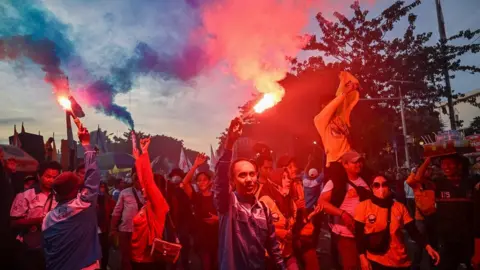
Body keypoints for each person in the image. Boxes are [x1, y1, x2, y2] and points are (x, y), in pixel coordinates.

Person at [214, 118, 285, 270]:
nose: (249, 179)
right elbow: (220, 177)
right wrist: (230, 144)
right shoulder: (228, 205)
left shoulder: (264, 210)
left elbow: (273, 247)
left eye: (252, 174)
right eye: (242, 175)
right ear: (232, 181)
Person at [42, 126, 102, 270]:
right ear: (75, 190)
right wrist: (86, 143)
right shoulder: (83, 204)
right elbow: (93, 175)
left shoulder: (47, 218)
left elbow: (46, 250)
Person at [354, 175, 440, 270]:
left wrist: (427, 247)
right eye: (376, 185)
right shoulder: (364, 206)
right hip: (375, 260)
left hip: (399, 261)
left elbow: (413, 231)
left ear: (389, 186)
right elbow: (358, 235)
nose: (381, 188)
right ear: (371, 187)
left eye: (384, 184)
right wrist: (362, 258)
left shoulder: (399, 207)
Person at [318, 151, 370, 270]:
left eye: (360, 161)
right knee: (351, 266)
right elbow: (321, 203)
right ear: (345, 165)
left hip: (365, 234)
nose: (359, 164)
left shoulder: (366, 180)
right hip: (346, 235)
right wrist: (342, 214)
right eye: (354, 162)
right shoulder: (336, 182)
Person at [10, 160, 62, 270]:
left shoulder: (61, 195)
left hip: (55, 248)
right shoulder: (26, 195)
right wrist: (38, 220)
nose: (51, 180)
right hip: (31, 248)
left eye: (55, 177)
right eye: (48, 176)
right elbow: (14, 223)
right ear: (39, 176)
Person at [130, 137, 169, 270]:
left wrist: (145, 153)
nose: (142, 188)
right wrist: (138, 159)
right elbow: (144, 181)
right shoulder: (148, 205)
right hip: (138, 258)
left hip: (149, 262)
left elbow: (147, 181)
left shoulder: (158, 206)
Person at [182, 153, 219, 270]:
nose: (201, 182)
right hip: (202, 238)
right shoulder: (196, 197)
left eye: (204, 180)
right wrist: (195, 165)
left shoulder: (216, 197)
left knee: (217, 265)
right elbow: (185, 183)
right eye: (199, 180)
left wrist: (218, 219)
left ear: (210, 182)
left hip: (217, 236)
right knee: (206, 264)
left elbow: (227, 215)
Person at [258, 168, 298, 269]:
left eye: (288, 177)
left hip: (286, 252)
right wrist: (279, 233)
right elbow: (257, 228)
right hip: (269, 255)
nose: (288, 180)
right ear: (274, 182)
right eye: (283, 178)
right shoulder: (265, 201)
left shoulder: (290, 202)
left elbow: (293, 224)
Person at [111, 172, 145, 270]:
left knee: (139, 258)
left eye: (141, 179)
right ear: (134, 180)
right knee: (126, 258)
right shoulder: (125, 192)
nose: (139, 181)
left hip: (142, 231)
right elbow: (116, 212)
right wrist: (113, 229)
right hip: (126, 230)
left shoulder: (147, 193)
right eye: (137, 179)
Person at [97, 181, 116, 270]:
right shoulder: (92, 199)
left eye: (103, 187)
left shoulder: (109, 199)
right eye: (100, 186)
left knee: (105, 250)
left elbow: (114, 212)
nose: (102, 188)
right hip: (94, 229)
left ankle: (103, 267)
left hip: (105, 229)